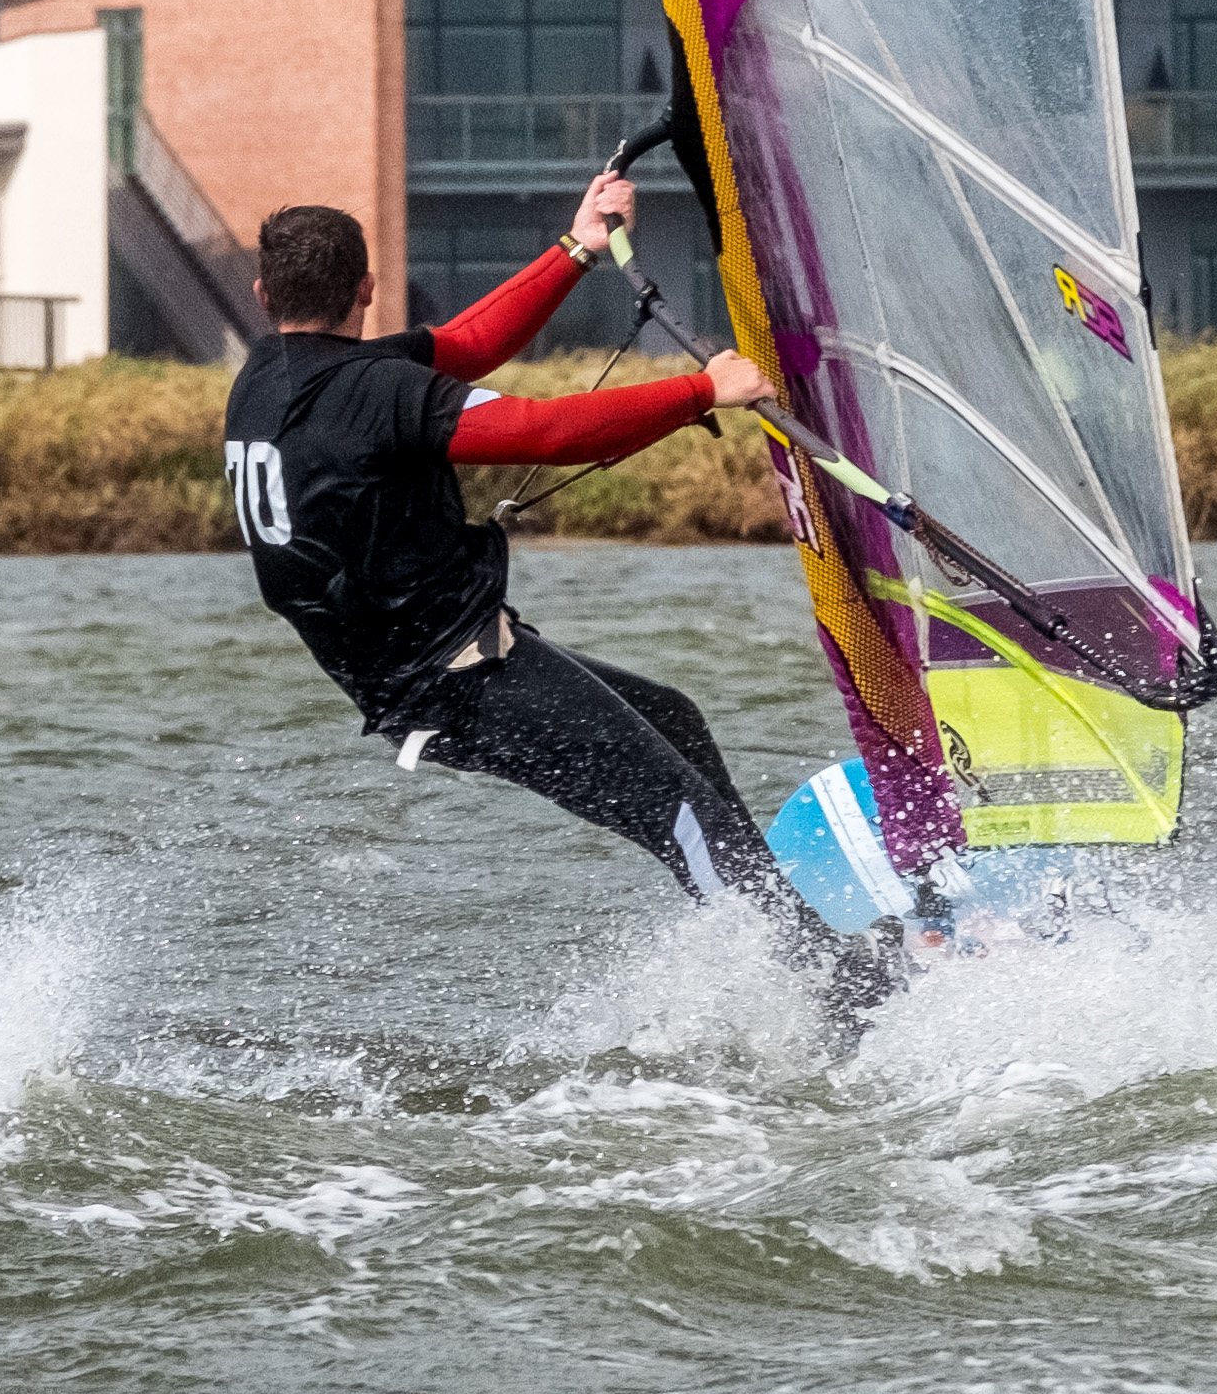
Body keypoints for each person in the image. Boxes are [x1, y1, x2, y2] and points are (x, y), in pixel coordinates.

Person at [222, 174, 888, 1001]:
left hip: (430, 669)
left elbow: (464, 344)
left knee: (675, 718)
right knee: (676, 807)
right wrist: (702, 390)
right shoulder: (374, 392)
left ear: (264, 294)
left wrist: (579, 247)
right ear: (366, 287)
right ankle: (831, 985)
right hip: (456, 679)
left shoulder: (265, 379)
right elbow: (541, 431)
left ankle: (792, 942)